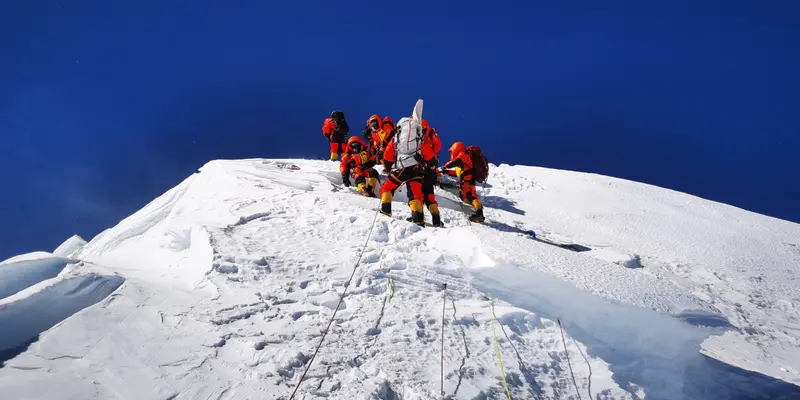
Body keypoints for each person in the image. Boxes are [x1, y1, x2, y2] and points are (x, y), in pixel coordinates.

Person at [379, 114, 427, 227]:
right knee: (415, 194)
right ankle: (418, 219)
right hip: (417, 170)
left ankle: (386, 211)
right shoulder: (418, 140)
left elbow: (387, 156)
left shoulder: (396, 140)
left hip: (402, 168)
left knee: (387, 188)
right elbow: (428, 154)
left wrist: (387, 167)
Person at [440, 142, 485, 222]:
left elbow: (456, 162)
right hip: (469, 179)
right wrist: (447, 172)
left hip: (467, 180)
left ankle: (479, 214)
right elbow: (459, 173)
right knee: (471, 196)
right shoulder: (465, 159)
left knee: (471, 197)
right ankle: (478, 211)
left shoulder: (463, 154)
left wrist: (446, 166)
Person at [413, 120, 443, 227]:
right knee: (429, 196)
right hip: (431, 173)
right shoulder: (431, 142)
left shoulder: (422, 142)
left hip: (423, 171)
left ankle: (418, 217)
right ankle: (436, 220)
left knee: (418, 194)